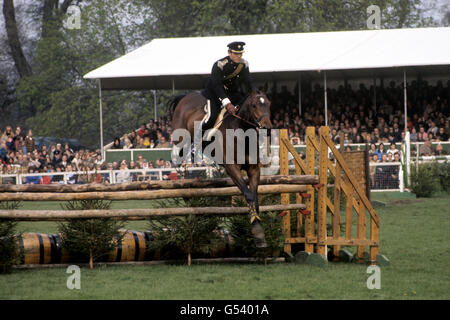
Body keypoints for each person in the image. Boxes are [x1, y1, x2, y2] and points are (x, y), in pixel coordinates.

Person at [201, 41, 257, 134]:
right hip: (214, 93)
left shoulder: (244, 64)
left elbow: (248, 82)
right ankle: (196, 142)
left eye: (241, 53)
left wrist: (255, 95)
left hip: (232, 93)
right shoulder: (219, 65)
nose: (239, 56)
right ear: (229, 52)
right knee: (211, 117)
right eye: (236, 53)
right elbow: (217, 86)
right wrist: (227, 104)